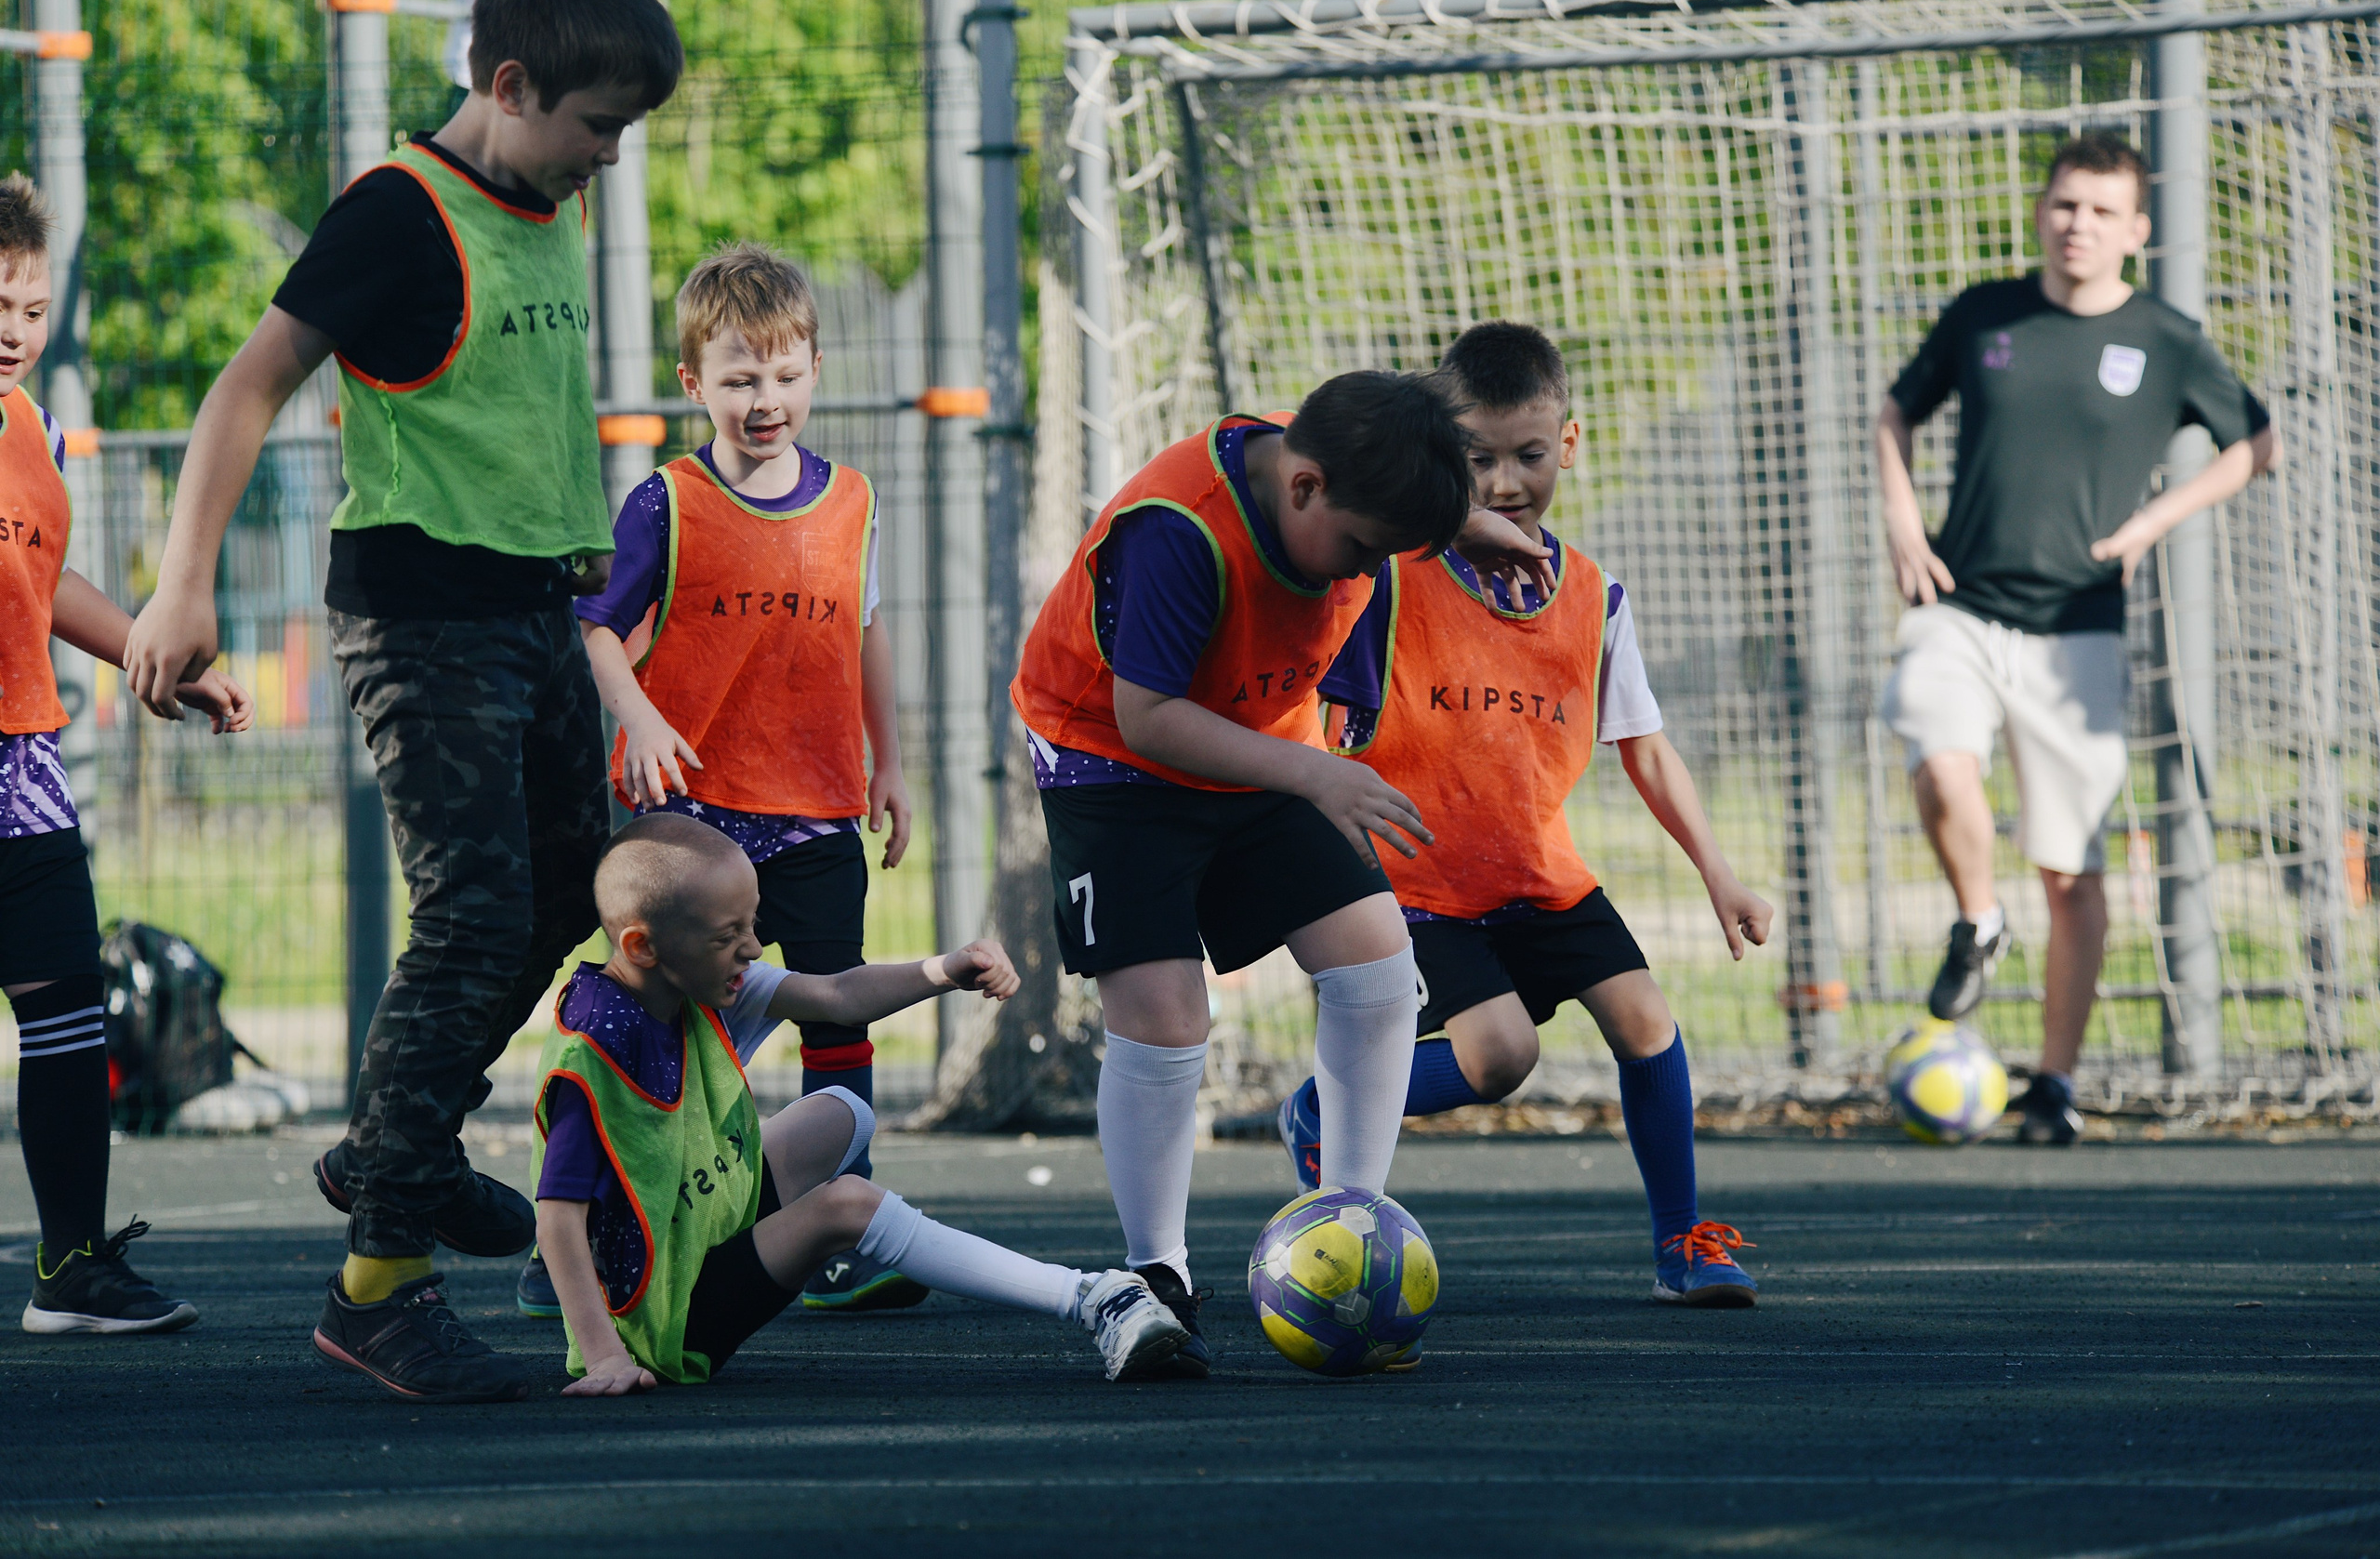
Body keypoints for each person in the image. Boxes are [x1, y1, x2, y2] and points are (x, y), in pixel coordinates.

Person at [120, 0, 684, 1401]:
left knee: (576, 894)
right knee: (474, 913)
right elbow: (248, 384)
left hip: (536, 607)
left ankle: (395, 1149)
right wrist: (182, 588)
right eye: (596, 126)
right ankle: (380, 1282)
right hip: (423, 619)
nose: (609, 155)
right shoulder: (396, 213)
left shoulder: (546, 197)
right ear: (504, 90)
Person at [1011, 371, 1551, 1377]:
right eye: (1360, 546)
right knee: (1166, 1010)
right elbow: (1150, 716)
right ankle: (1153, 1277)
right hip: (1113, 760)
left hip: (1257, 736)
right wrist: (1315, 772)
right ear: (1300, 488)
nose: (1367, 565)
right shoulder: (1181, 529)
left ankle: (1347, 1228)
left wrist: (1458, 525)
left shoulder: (1346, 499)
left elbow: (1374, 560)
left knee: (1377, 961)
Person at [1295, 322, 1773, 1308]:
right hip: (1420, 880)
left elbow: (1642, 745)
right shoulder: (1387, 574)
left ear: (1569, 442)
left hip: (1538, 872)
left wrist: (1718, 872)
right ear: (1440, 455)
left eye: (1525, 454)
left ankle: (1683, 1243)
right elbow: (1318, 701)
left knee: (1645, 1020)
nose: (1505, 481)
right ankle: (1321, 1111)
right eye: (1477, 460)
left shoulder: (1595, 595)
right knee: (1502, 1054)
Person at [1876, 133, 2277, 1144]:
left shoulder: (2167, 338)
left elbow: (2257, 443)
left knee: (2071, 872)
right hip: (1959, 606)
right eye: (2063, 205)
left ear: (2135, 231)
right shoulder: (1985, 313)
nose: (2076, 225)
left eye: (2100, 211)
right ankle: (1977, 920)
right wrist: (1901, 523)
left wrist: (2149, 524)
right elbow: (1892, 412)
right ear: (2041, 211)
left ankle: (2052, 1085)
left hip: (2078, 633)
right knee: (1937, 758)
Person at [552, 240, 917, 1320]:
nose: (767, 400)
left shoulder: (851, 499)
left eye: (787, 374)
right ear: (693, 384)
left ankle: (829, 1231)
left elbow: (866, 631)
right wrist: (645, 717)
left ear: (815, 368)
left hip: (815, 809)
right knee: (669, 1027)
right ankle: (597, 1222)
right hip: (696, 818)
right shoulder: (666, 502)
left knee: (838, 1012)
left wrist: (888, 762)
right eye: (740, 378)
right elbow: (598, 632)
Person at [533, 814, 1190, 1394]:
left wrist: (944, 971)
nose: (754, 946)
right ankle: (1091, 1297)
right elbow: (558, 1218)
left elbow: (840, 995)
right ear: (642, 945)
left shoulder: (683, 975)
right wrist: (605, 1357)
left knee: (842, 1113)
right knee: (847, 1201)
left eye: (752, 923)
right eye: (729, 934)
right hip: (668, 1316)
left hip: (698, 1227)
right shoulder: (596, 1053)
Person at [0, 174, 253, 1336]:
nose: (15, 328)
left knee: (67, 1010)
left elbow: (48, 590)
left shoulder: (32, 431)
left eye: (34, 306)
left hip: (24, 762)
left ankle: (71, 1268)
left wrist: (163, 663)